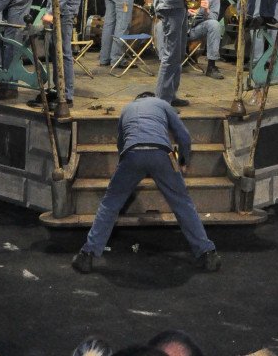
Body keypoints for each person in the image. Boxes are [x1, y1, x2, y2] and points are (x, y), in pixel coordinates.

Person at [71, 92, 220, 273]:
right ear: (152, 97)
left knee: (110, 204)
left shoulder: (126, 109)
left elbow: (121, 144)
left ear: (137, 99)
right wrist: (183, 161)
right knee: (183, 204)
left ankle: (87, 255)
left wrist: (127, 170)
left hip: (132, 153)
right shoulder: (162, 104)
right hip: (163, 153)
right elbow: (184, 135)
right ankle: (207, 253)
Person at [187, 0, 225, 79]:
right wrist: (186, 9)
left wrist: (207, 10)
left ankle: (211, 66)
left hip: (197, 27)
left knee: (214, 25)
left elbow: (214, 18)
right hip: (182, 24)